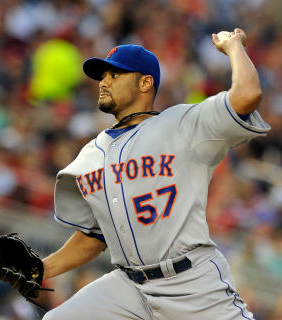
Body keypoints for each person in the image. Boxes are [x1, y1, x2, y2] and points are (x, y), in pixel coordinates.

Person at [41, 28, 269, 320]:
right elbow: (95, 236)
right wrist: (42, 268)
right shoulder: (90, 154)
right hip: (129, 287)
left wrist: (234, 46)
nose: (103, 81)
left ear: (146, 82)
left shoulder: (184, 124)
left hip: (191, 282)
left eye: (115, 74)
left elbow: (248, 94)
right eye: (103, 75)